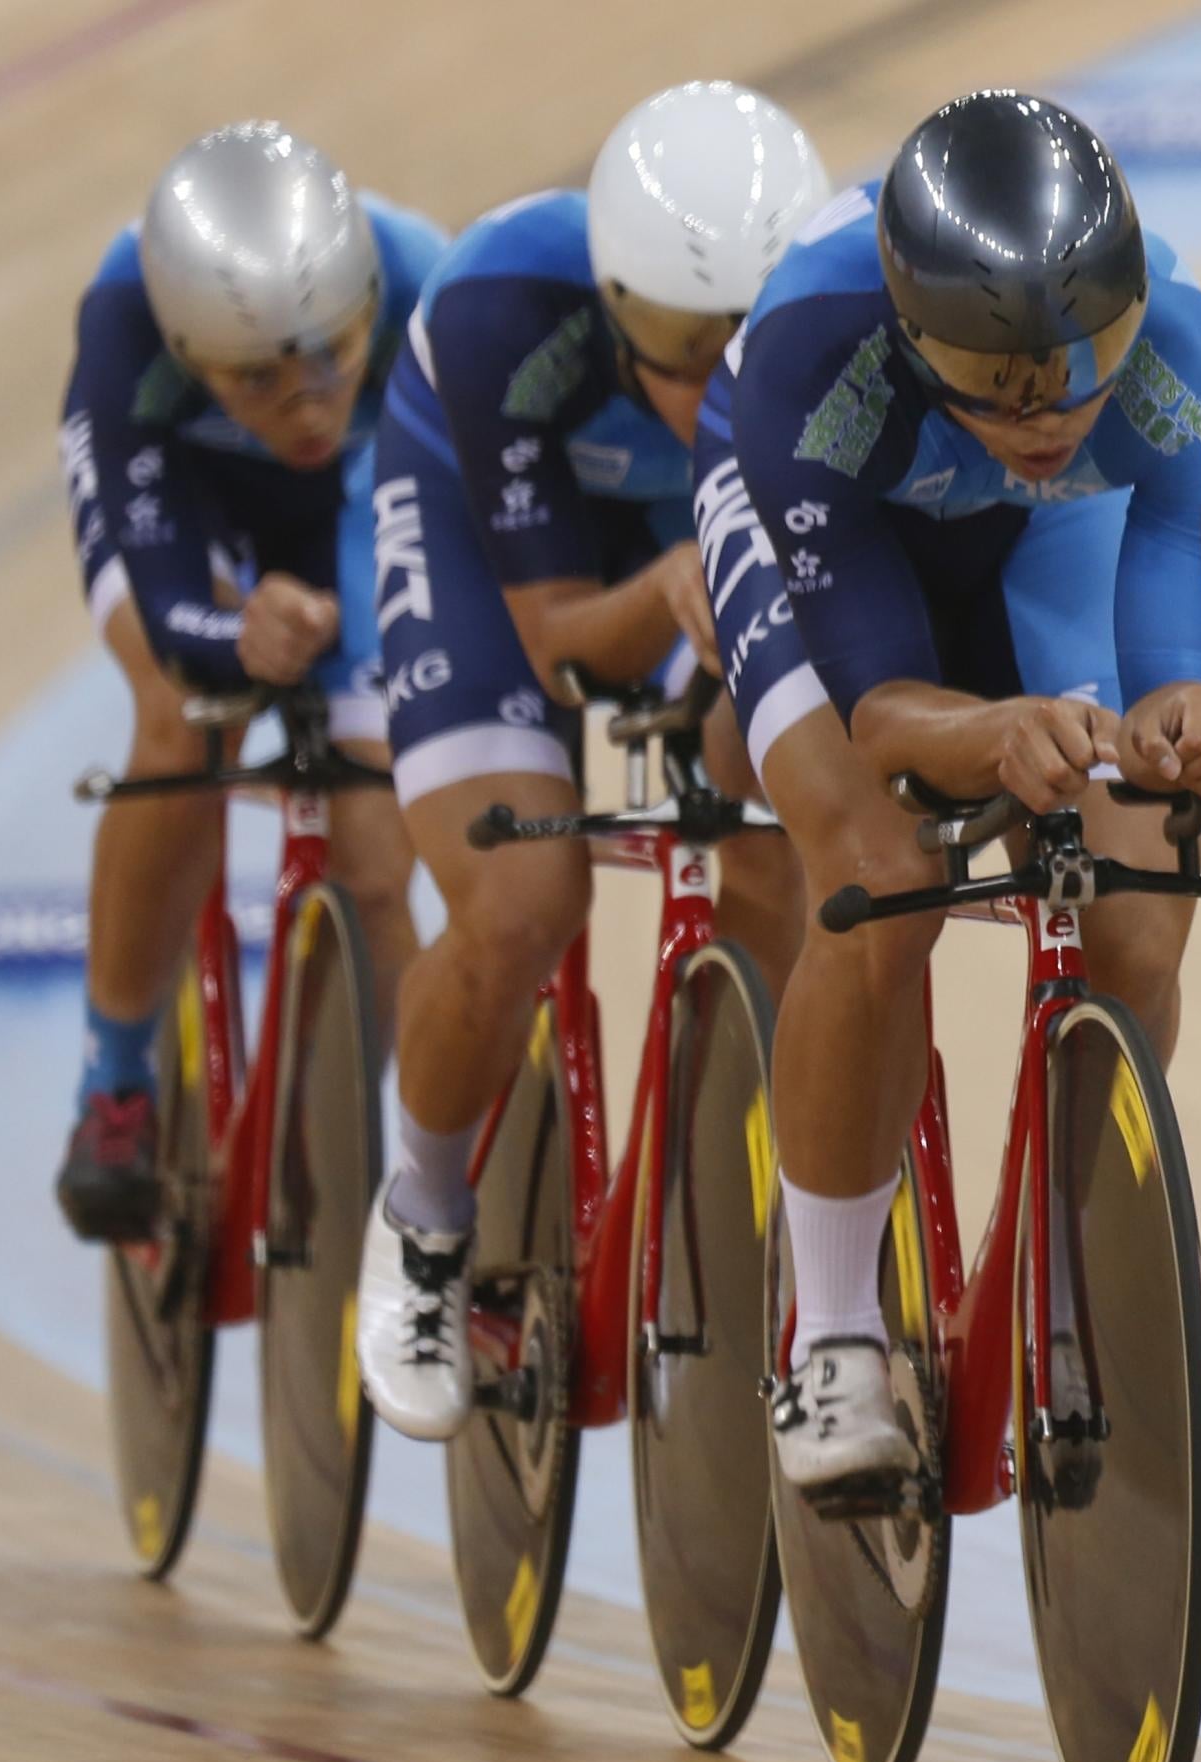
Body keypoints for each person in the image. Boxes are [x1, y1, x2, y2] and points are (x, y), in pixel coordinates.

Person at [692, 89, 1201, 1491]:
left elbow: (1179, 606)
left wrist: (1186, 708)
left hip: (1039, 541)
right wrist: (998, 727)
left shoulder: (1174, 355)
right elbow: (880, 703)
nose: (1048, 405)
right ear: (912, 332)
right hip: (832, 532)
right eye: (1000, 379)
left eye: (1078, 365)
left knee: (1131, 903)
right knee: (879, 875)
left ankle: (1054, 1263)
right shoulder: (819, 356)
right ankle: (828, 1332)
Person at [352, 82, 828, 1440]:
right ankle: (427, 1220)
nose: (719, 375)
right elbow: (565, 651)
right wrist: (677, 578)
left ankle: (778, 1210)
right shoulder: (508, 310)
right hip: (488, 543)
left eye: (752, 338)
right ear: (615, 305)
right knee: (521, 898)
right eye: (685, 343)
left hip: (682, 551)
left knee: (781, 824)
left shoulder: (837, 330)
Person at [54, 123, 442, 1242]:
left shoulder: (425, 281)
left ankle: (342, 1147)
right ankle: (115, 1080)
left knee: (377, 858)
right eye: (259, 379)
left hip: (355, 521)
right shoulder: (127, 321)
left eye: (333, 354)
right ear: (190, 350)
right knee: (183, 724)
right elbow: (169, 594)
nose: (310, 402)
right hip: (193, 517)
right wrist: (237, 642)